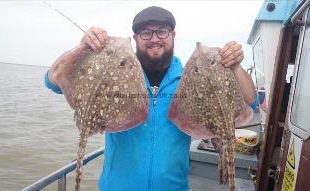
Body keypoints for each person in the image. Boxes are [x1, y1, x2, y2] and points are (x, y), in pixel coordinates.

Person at [44, 6, 256, 191]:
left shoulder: (190, 78)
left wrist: (235, 65)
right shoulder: (111, 73)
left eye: (162, 31)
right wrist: (84, 49)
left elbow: (251, 101)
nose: (154, 38)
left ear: (173, 35)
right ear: (135, 38)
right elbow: (52, 81)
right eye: (146, 33)